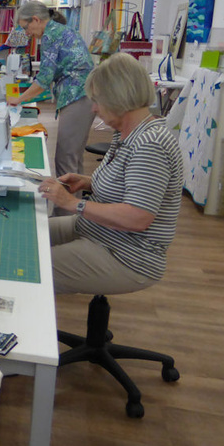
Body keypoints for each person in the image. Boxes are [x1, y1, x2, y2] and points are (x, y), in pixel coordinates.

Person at [38, 53, 184, 295]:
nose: (94, 108)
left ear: (118, 97)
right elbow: (128, 185)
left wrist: (73, 203)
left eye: (97, 100)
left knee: (28, 268)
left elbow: (137, 217)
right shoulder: (126, 134)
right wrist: (87, 182)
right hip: (97, 230)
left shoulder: (150, 143)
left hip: (126, 254)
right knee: (27, 237)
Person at [7, 0, 95, 179]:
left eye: (26, 27)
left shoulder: (51, 35)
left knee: (65, 158)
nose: (27, 33)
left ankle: (65, 197)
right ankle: (74, 196)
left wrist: (18, 99)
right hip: (84, 94)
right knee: (74, 157)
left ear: (35, 19)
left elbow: (45, 79)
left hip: (77, 95)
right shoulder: (61, 30)